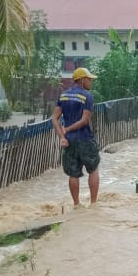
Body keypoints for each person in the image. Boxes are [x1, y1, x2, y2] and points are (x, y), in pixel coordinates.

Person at [51, 67, 100, 208]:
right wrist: (68, 129)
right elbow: (84, 121)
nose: (91, 82)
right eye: (89, 79)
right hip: (85, 138)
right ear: (82, 80)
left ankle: (77, 204)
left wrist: (62, 136)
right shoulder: (87, 96)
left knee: (73, 173)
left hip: (69, 141)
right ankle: (93, 204)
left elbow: (54, 118)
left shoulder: (63, 96)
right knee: (93, 169)